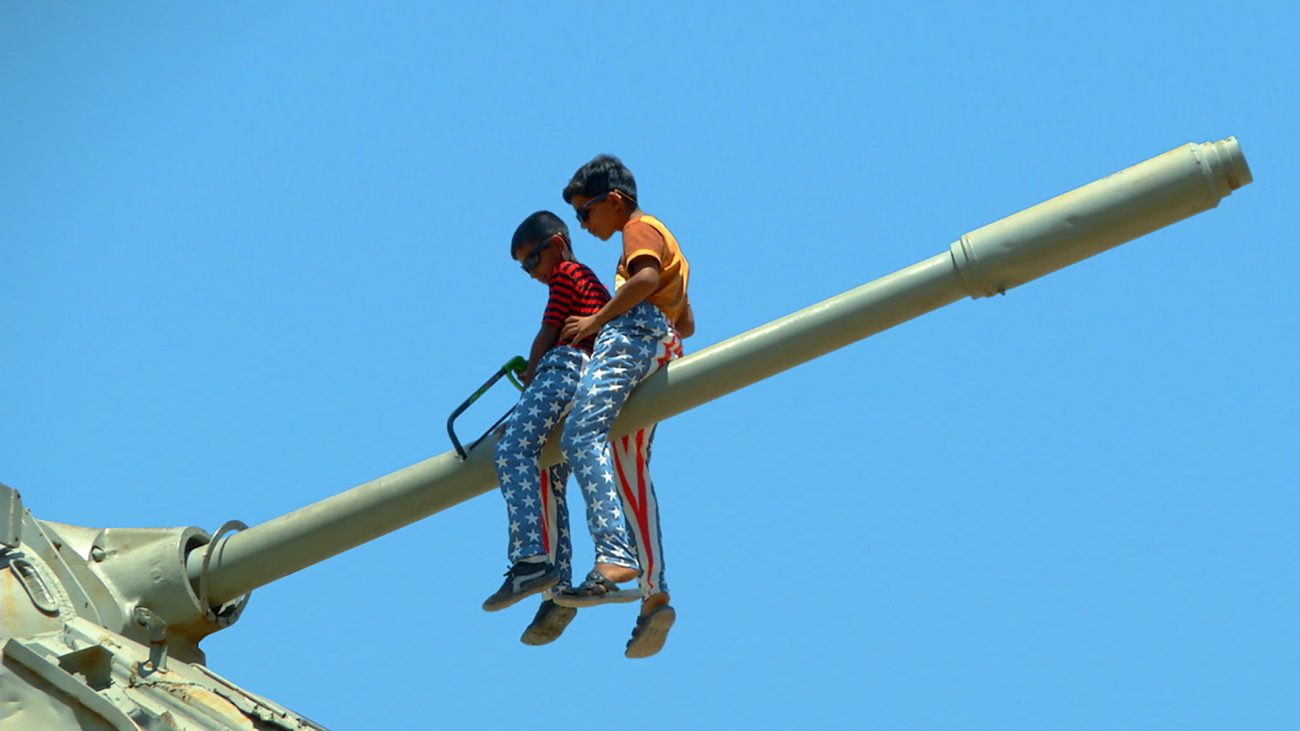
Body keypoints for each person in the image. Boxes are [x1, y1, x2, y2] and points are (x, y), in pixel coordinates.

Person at [555, 154, 694, 659]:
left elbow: (645, 283)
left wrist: (596, 322)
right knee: (629, 466)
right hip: (660, 339)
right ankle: (654, 595)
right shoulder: (660, 236)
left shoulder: (638, 231)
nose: (583, 225)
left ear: (612, 202)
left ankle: (614, 555)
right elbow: (687, 320)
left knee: (580, 433)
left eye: (585, 213)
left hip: (635, 334)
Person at [481, 210, 640, 646]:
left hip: (563, 367)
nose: (530, 273)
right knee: (550, 471)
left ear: (555, 245)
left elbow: (546, 335)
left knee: (514, 452)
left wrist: (529, 379)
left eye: (532, 260)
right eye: (523, 267)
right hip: (586, 375)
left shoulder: (567, 275)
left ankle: (531, 558)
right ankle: (558, 591)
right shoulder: (588, 283)